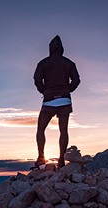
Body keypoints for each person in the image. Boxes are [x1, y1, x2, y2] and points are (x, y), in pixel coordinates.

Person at [33, 35, 80, 168]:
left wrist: (44, 91)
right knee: (63, 130)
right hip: (64, 100)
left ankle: (41, 157)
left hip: (48, 101)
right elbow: (76, 80)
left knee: (41, 129)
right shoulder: (69, 63)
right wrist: (67, 90)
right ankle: (61, 159)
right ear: (62, 49)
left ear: (50, 49)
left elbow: (37, 80)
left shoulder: (43, 63)